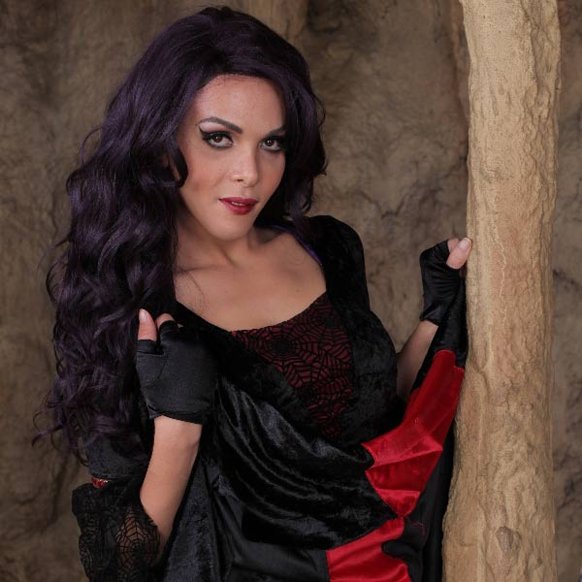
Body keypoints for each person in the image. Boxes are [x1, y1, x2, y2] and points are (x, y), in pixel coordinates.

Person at [42, 6, 472, 581]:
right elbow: (120, 562)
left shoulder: (327, 248)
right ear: (160, 142)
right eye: (218, 138)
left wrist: (438, 314)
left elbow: (375, 417)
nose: (250, 171)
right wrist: (179, 425)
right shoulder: (130, 308)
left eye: (272, 143)